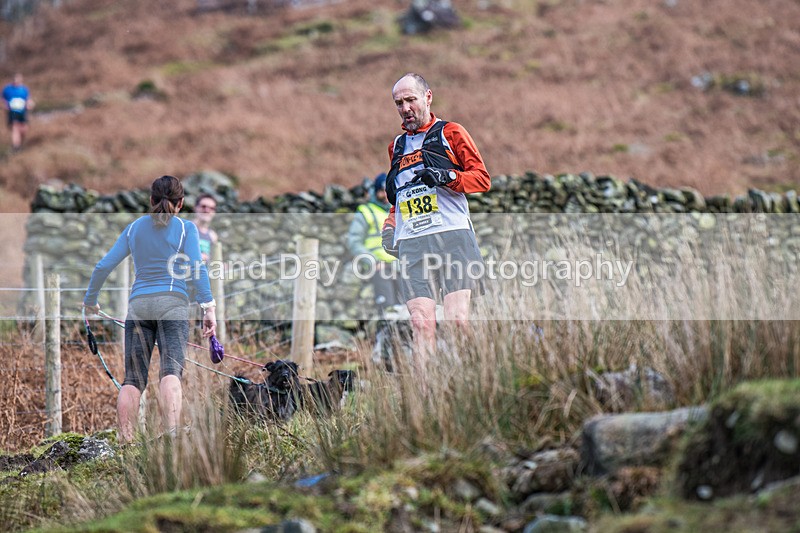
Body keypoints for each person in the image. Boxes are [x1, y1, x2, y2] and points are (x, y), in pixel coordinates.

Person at [83, 175, 217, 444]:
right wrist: (208, 307)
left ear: (151, 200)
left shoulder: (134, 228)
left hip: (139, 307)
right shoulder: (186, 229)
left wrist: (91, 301)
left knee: (132, 379)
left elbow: (103, 266)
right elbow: (196, 268)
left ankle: (125, 439)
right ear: (180, 203)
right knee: (170, 372)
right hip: (173, 305)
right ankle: (172, 436)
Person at [381, 73, 491, 361]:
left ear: (428, 97)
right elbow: (401, 195)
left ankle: (478, 379)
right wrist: (390, 226)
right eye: (398, 103)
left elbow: (481, 179)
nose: (405, 108)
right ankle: (424, 401)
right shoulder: (396, 146)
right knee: (421, 323)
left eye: (410, 100)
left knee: (456, 322)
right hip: (413, 242)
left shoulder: (451, 133)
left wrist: (447, 176)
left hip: (453, 237)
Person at [347, 172, 402, 312]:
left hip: (400, 267)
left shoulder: (398, 212)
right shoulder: (366, 211)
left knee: (409, 308)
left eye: (387, 190)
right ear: (375, 191)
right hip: (379, 268)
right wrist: (373, 262)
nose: (384, 194)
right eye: (381, 191)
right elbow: (354, 241)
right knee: (388, 310)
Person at [2, 73, 35, 152]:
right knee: (15, 126)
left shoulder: (24, 89)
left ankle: (20, 144)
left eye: (18, 79)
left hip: (22, 111)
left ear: (21, 80)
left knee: (24, 129)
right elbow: (1, 98)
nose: (16, 81)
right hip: (12, 111)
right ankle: (16, 146)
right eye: (15, 79)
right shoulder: (7, 89)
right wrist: (5, 106)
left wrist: (30, 104)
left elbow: (28, 99)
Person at [193, 193, 219, 263]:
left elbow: (214, 259)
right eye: (203, 206)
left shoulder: (213, 236)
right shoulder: (184, 229)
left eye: (212, 208)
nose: (207, 210)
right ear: (195, 207)